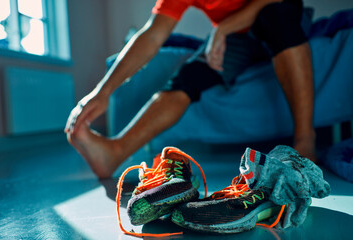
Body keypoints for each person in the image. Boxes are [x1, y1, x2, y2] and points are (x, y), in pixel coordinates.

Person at [65, 0, 316, 178]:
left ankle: (305, 143)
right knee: (188, 77)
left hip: (279, 13)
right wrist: (103, 90)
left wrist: (222, 29)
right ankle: (114, 152)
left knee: (275, 16)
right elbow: (153, 34)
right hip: (237, 37)